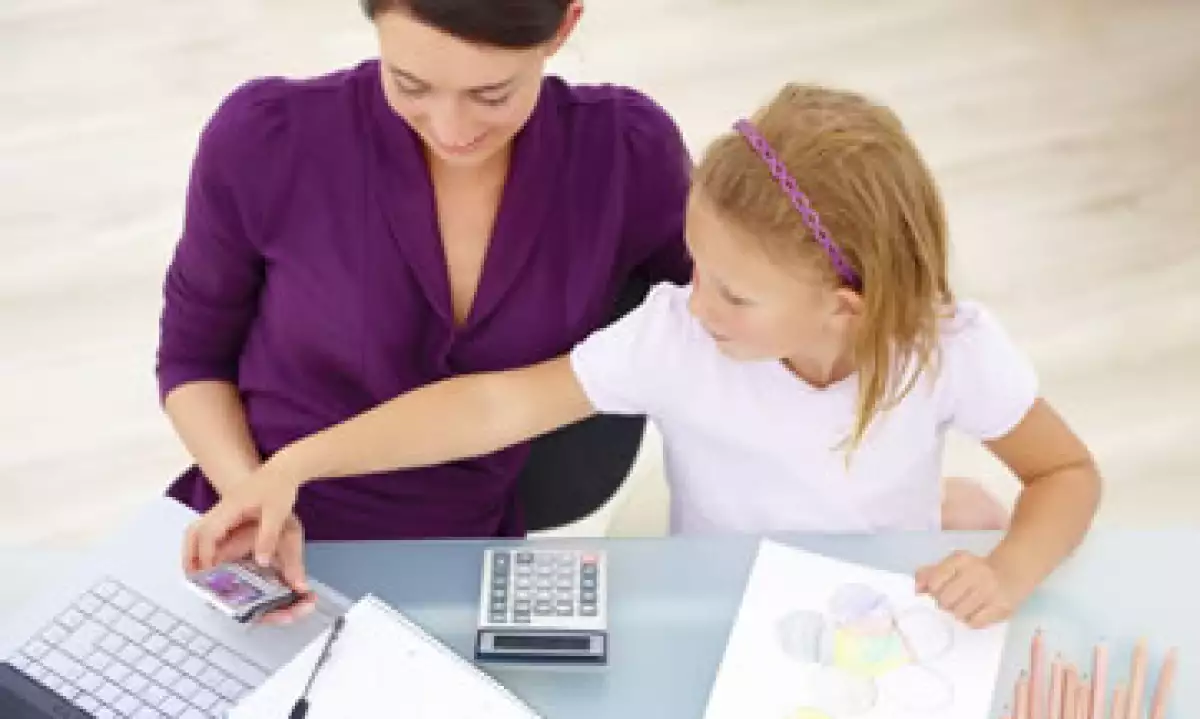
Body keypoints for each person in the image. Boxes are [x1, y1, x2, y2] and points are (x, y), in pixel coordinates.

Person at [186, 83, 1103, 629]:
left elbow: (1065, 471)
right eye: (697, 266)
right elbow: (491, 406)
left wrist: (1012, 566)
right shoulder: (678, 334)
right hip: (718, 604)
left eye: (734, 293)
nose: (695, 301)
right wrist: (295, 465)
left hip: (879, 607)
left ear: (843, 303)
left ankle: (957, 510)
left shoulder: (951, 350)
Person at [157, 0, 694, 569]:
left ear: (563, 28)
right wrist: (252, 500)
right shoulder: (265, 139)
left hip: (463, 559)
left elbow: (718, 318)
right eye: (410, 84)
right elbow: (193, 360)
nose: (451, 131)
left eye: (492, 95)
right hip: (245, 537)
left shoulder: (625, 156)